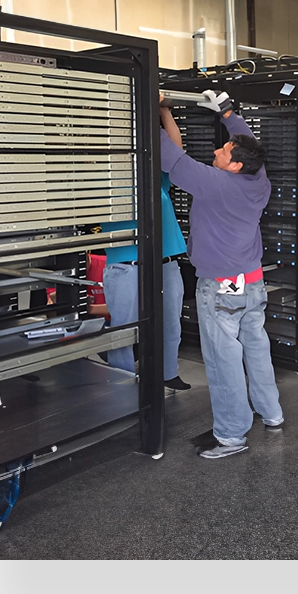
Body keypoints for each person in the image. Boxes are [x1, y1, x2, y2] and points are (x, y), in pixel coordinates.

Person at [159, 89, 284, 459]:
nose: (216, 151)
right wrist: (228, 113)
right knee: (257, 349)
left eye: (223, 151)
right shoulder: (257, 180)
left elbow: (169, 156)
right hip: (252, 284)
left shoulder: (214, 184)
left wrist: (149, 105)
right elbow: (250, 148)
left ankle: (231, 436)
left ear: (233, 166)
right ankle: (271, 413)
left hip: (221, 289)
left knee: (223, 359)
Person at [100, 102, 190, 390]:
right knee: (124, 327)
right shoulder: (105, 182)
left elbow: (176, 151)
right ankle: (122, 378)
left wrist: (163, 111)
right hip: (126, 264)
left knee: (170, 323)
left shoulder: (154, 175)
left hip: (165, 261)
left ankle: (167, 372)